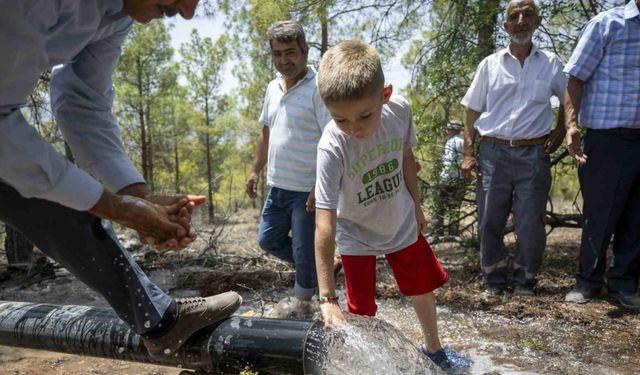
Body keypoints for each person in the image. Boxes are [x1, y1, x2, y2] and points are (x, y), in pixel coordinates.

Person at [0, 0, 241, 358]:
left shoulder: (119, 14)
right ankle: (159, 319)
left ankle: (159, 320)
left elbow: (83, 101)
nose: (189, 12)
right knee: (63, 188)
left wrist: (136, 196)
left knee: (66, 191)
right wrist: (117, 207)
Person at [314, 40, 473, 372]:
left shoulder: (399, 110)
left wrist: (416, 206)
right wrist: (328, 299)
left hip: (398, 219)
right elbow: (324, 224)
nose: (354, 128)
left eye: (365, 116)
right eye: (341, 119)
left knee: (422, 286)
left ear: (384, 95)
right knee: (360, 309)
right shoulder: (331, 145)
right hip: (356, 232)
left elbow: (406, 159)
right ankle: (369, 362)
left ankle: (434, 349)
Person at [460, 0, 567, 296]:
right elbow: (471, 111)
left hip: (533, 155)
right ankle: (494, 278)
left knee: (531, 222)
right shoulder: (490, 65)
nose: (521, 20)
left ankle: (524, 279)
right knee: (489, 219)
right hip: (492, 154)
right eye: (514, 16)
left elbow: (569, 99)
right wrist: (469, 153)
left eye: (528, 14)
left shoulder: (551, 64)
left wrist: (561, 131)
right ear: (505, 25)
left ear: (538, 22)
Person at [245, 20, 335, 317]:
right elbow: (267, 132)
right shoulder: (272, 87)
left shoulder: (318, 87)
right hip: (277, 185)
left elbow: (331, 138)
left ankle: (303, 303)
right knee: (267, 240)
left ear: (305, 51)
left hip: (306, 190)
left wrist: (318, 186)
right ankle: (317, 265)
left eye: (290, 52)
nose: (284, 60)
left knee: (301, 249)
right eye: (278, 54)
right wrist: (256, 169)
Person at [563, 0, 640, 310]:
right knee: (600, 214)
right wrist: (571, 125)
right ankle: (587, 282)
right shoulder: (608, 24)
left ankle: (624, 283)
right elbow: (575, 77)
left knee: (637, 219)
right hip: (608, 138)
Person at [431, 120, 466, 237]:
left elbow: (448, 162)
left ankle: (438, 231)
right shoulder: (464, 142)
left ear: (451, 130)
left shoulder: (450, 142)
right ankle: (453, 232)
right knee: (455, 206)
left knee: (439, 206)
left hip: (447, 178)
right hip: (460, 178)